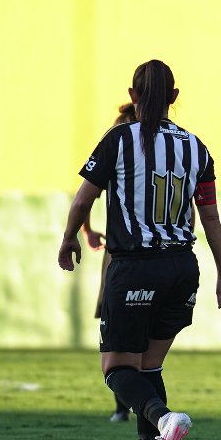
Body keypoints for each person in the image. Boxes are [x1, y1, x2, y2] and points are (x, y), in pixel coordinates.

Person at [58, 59, 221, 440]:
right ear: (174, 98)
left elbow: (83, 198)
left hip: (135, 267)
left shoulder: (119, 139)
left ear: (133, 95)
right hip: (182, 268)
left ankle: (164, 421)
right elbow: (210, 217)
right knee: (149, 367)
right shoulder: (197, 147)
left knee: (117, 369)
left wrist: (69, 237)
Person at [82, 102, 138, 423]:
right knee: (137, 338)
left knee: (117, 334)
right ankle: (131, 407)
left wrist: (84, 231)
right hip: (153, 255)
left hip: (122, 257)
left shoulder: (117, 147)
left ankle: (125, 406)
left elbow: (85, 195)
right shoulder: (160, 148)